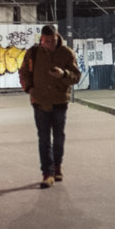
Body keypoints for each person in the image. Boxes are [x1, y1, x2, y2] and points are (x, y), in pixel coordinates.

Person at [19, 25, 81, 188]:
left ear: (57, 37)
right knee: (44, 138)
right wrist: (29, 89)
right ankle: (47, 173)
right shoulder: (33, 53)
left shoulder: (66, 53)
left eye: (53, 40)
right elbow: (23, 72)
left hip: (60, 101)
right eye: (47, 41)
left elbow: (76, 77)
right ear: (42, 40)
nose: (50, 44)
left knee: (59, 137)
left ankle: (57, 166)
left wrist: (64, 74)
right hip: (39, 101)